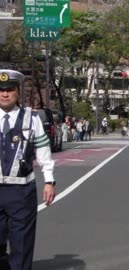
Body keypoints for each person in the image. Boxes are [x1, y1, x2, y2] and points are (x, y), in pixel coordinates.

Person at [0, 69, 56, 270]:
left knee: (21, 245)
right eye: (0, 90)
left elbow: (43, 150)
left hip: (21, 192)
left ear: (17, 91)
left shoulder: (31, 119)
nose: (4, 94)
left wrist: (49, 181)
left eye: (9, 89)